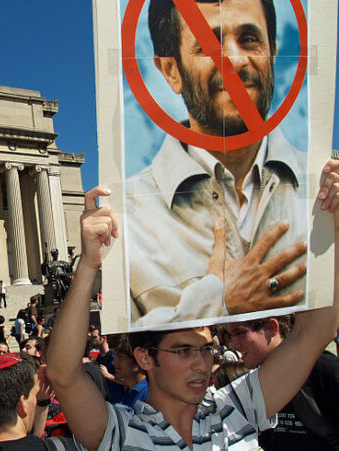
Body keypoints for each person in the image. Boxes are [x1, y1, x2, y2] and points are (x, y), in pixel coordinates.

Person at [46, 177, 339, 450]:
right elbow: (63, 374)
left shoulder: (236, 407)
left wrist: (334, 225)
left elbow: (314, 334)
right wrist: (87, 265)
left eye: (207, 349)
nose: (202, 363)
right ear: (145, 357)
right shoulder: (121, 431)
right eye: (184, 351)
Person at [125, 0, 308, 327]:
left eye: (249, 39)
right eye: (209, 45)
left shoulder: (319, 192)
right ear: (171, 71)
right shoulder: (128, 219)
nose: (235, 61)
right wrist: (218, 302)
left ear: (274, 52)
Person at [226, 316, 339, 449]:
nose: (232, 344)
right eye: (230, 336)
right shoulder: (250, 386)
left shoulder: (322, 369)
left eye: (240, 333)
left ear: (271, 328)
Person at [0, 353, 75, 450]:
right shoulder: (63, 447)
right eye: (35, 395)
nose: (36, 401)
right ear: (21, 405)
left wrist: (42, 401)